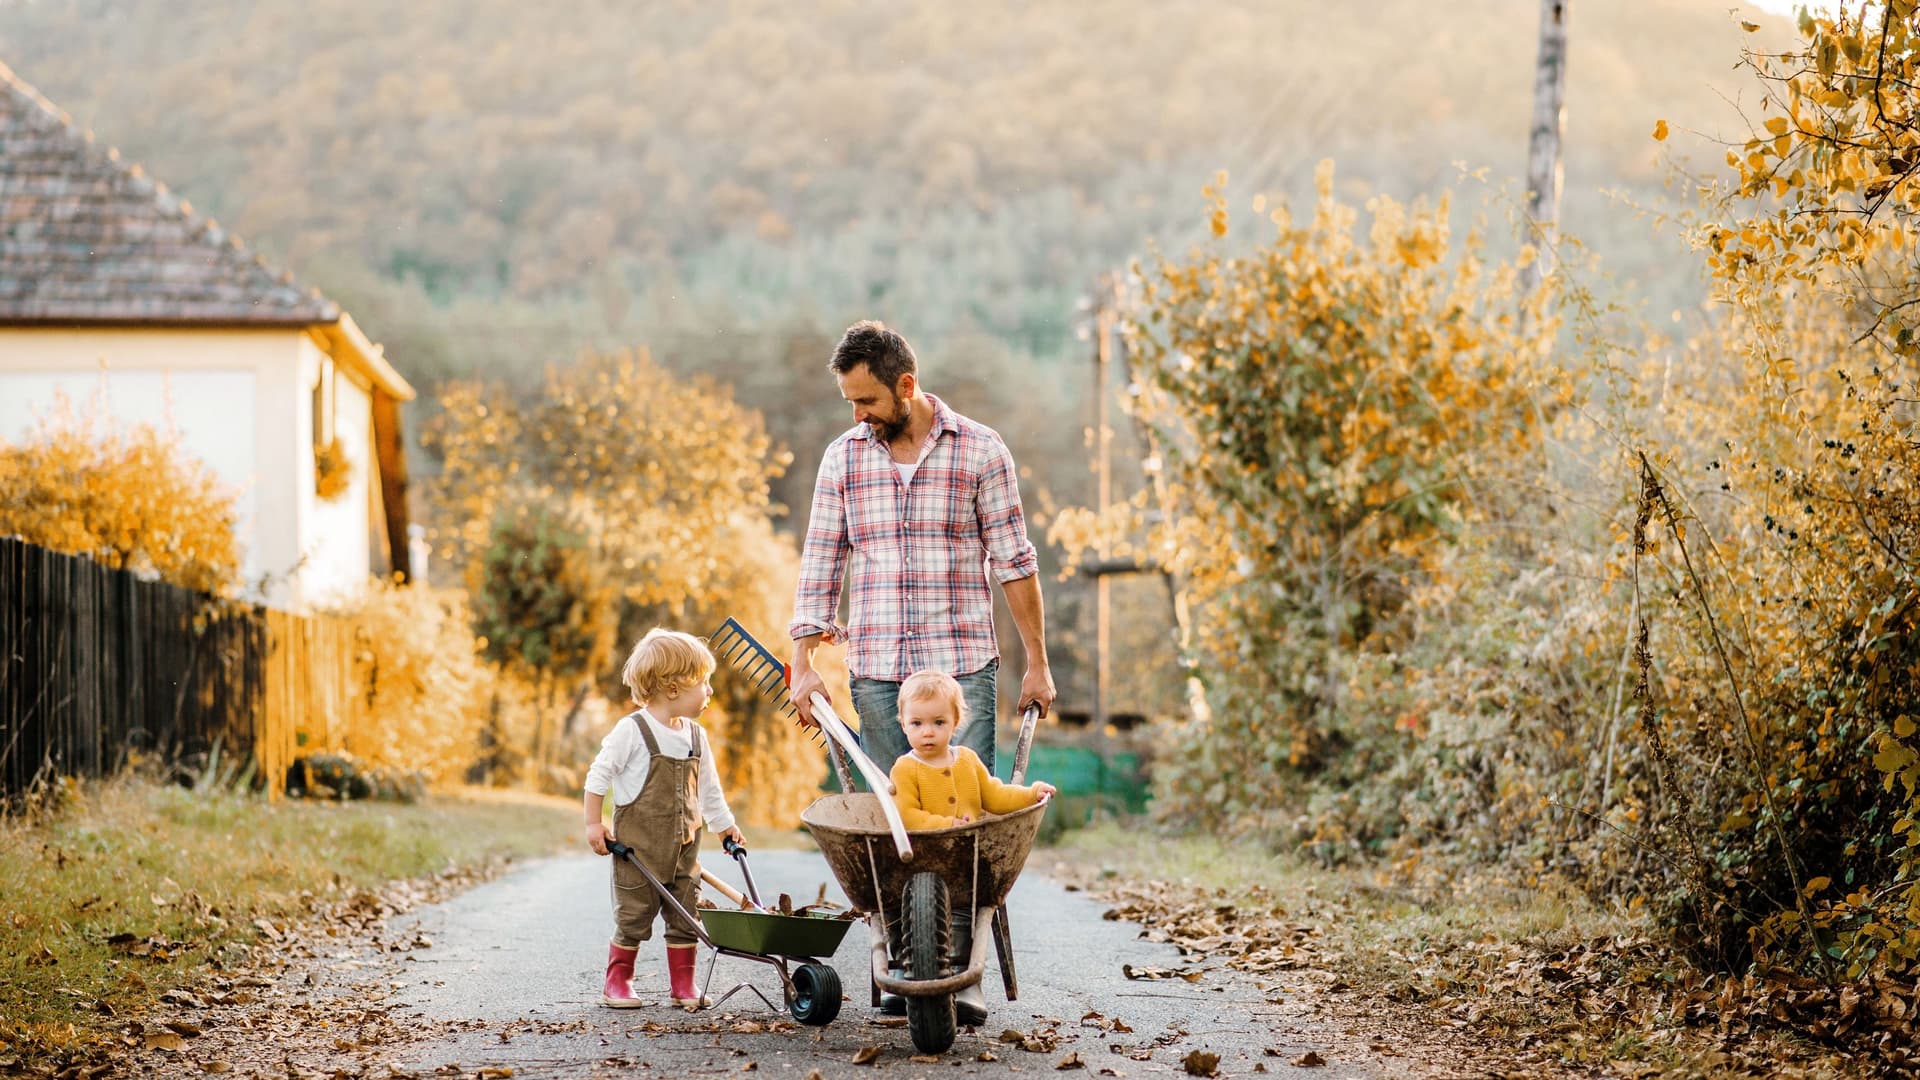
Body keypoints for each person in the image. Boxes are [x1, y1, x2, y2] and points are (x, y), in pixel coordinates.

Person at [787, 319, 1058, 776]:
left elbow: (1014, 564)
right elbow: (821, 564)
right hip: (878, 675)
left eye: (867, 400)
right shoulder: (842, 458)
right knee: (893, 820)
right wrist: (803, 663)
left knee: (965, 815)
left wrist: (1038, 663)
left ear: (906, 385)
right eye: (850, 402)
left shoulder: (981, 451)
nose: (858, 415)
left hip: (962, 671)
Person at [583, 628, 744, 1010]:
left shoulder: (696, 736)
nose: (710, 691)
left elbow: (709, 790)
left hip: (685, 851)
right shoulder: (632, 731)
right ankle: (617, 982)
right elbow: (598, 775)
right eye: (704, 683)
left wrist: (725, 826)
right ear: (673, 688)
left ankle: (683, 986)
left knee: (687, 916)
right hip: (637, 853)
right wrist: (593, 823)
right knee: (634, 916)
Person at [886, 671, 1055, 1026]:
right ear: (903, 724)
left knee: (966, 913)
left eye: (938, 722)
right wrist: (945, 825)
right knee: (907, 910)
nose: (927, 731)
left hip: (966, 864)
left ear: (956, 722)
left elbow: (994, 794)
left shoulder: (966, 761)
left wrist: (1029, 793)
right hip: (917, 862)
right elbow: (905, 816)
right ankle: (906, 967)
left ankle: (963, 979)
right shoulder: (905, 768)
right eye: (917, 723)